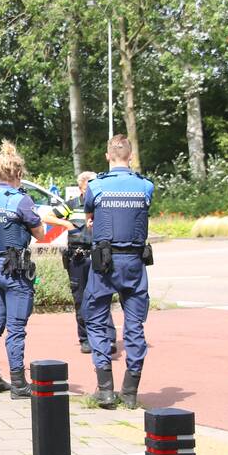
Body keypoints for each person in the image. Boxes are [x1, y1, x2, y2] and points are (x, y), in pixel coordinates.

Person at [83, 135, 154, 409]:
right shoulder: (145, 186)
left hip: (104, 264)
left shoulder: (96, 186)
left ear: (107, 156)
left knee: (96, 319)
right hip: (134, 262)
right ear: (131, 157)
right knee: (134, 325)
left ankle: (105, 390)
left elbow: (90, 215)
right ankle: (130, 392)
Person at [0, 140, 49, 399]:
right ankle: (19, 384)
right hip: (14, 269)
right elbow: (40, 234)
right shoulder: (22, 200)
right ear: (18, 173)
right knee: (16, 328)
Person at [53, 172, 116, 354]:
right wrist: (67, 225)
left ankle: (108, 338)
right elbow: (48, 217)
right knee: (80, 299)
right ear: (81, 188)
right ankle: (85, 338)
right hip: (78, 257)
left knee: (102, 296)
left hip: (98, 255)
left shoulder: (101, 204)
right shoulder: (72, 204)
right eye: (88, 187)